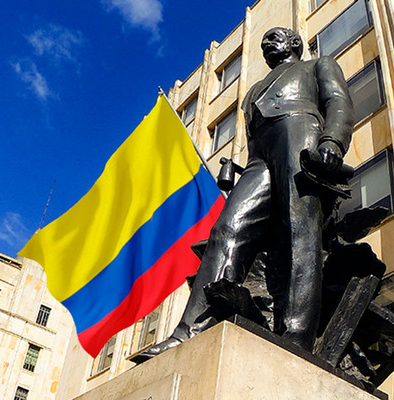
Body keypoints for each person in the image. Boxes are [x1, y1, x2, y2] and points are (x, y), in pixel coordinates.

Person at [134, 27, 353, 362]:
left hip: (300, 132)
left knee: (300, 230)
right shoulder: (252, 91)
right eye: (264, 39)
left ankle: (295, 339)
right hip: (259, 155)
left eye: (275, 36)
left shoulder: (318, 65)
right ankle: (189, 330)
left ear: (295, 43)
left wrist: (332, 141)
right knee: (226, 229)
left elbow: (338, 101)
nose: (267, 42)